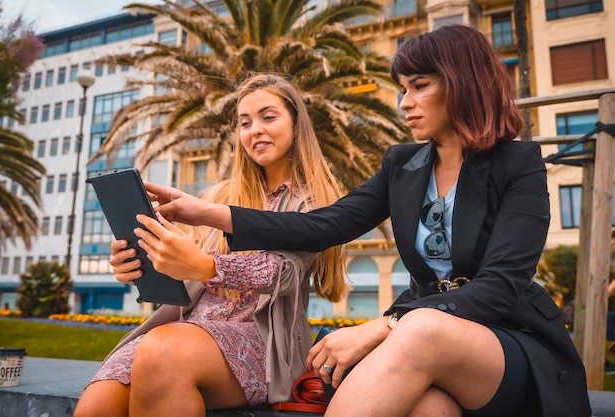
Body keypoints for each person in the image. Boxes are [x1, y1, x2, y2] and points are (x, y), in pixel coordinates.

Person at [144, 25, 592, 417]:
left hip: (507, 345)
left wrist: (386, 325)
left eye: (419, 86)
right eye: (402, 88)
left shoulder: (519, 163)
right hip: (423, 343)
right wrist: (204, 212)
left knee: (423, 328)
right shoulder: (403, 165)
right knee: (425, 409)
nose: (404, 103)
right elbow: (323, 227)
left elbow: (500, 286)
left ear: (462, 83)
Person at [73, 73, 347, 417]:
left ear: (296, 123)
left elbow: (285, 273)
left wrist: (208, 267)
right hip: (186, 326)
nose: (255, 130)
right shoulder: (219, 196)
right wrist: (143, 259)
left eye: (268, 117)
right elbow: (185, 270)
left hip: (261, 340)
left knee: (163, 351)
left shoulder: (315, 200)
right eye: (244, 122)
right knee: (95, 405)